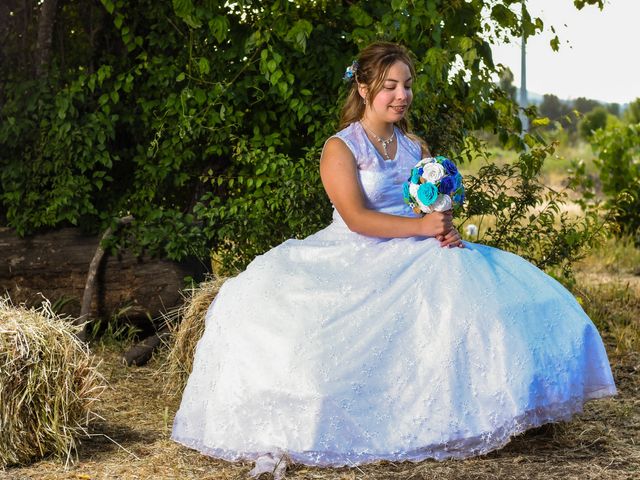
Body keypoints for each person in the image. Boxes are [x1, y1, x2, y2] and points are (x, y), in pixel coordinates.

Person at [171, 42, 616, 470]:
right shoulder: (341, 148)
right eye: (390, 86)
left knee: (487, 289)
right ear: (364, 90)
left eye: (406, 85)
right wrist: (421, 228)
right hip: (356, 250)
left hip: (416, 246)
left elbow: (427, 209)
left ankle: (492, 409)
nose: (401, 95)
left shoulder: (414, 147)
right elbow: (357, 217)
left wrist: (442, 227)